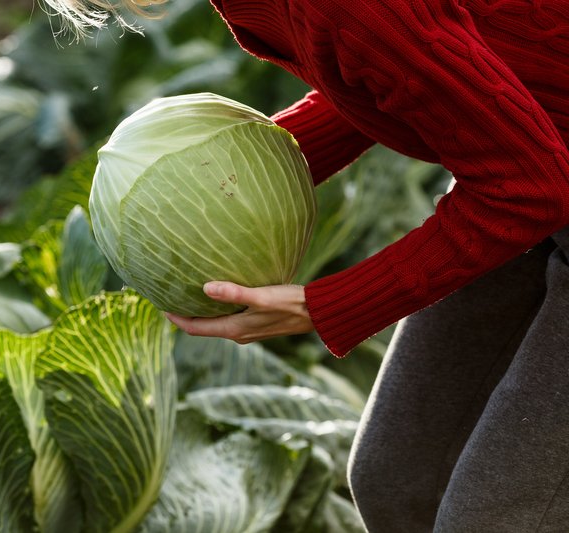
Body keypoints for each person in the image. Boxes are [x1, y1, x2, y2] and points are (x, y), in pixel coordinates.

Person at [44, 1, 569, 530]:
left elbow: (532, 187)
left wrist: (324, 307)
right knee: (397, 481)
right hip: (530, 157)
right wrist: (232, 184)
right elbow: (395, 67)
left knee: (496, 520)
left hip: (528, 179)